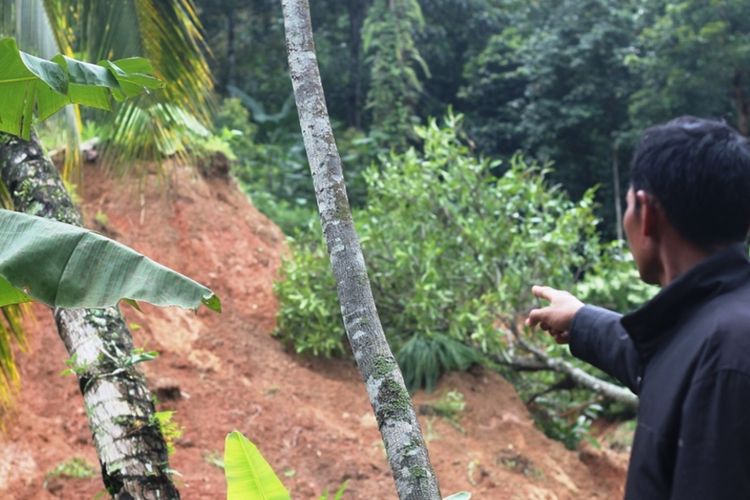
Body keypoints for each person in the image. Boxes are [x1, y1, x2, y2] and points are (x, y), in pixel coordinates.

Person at [526, 116, 750, 499]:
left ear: (646, 213)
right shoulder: (718, 321)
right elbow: (659, 359)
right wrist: (580, 319)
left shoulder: (728, 356)